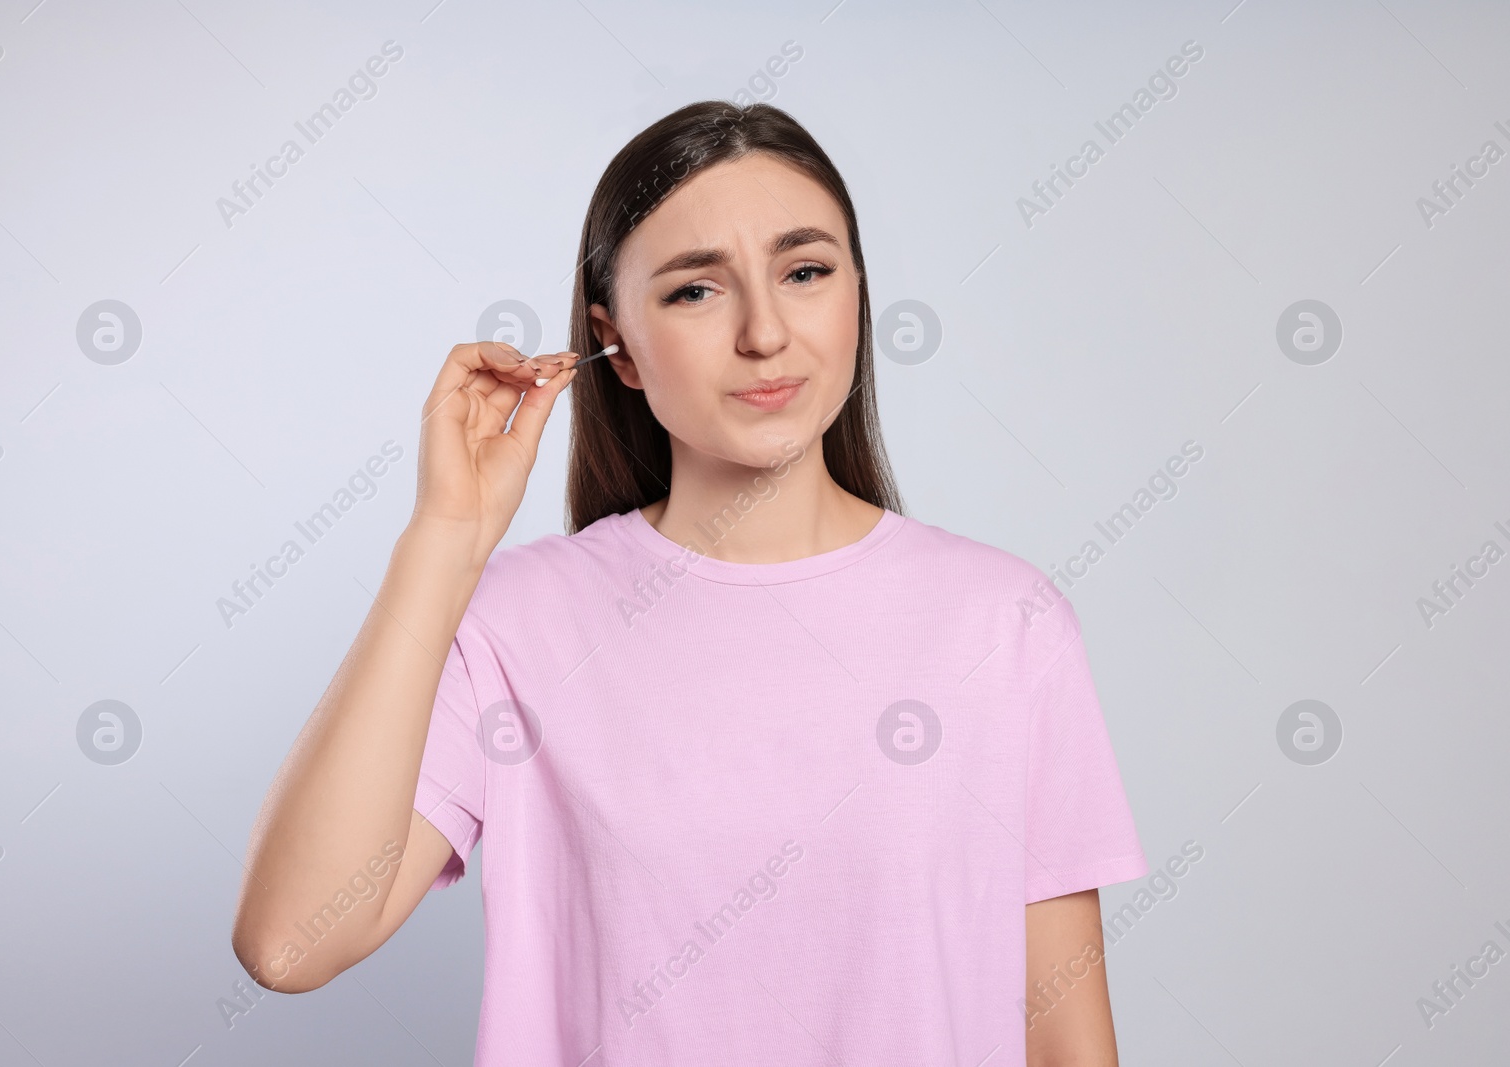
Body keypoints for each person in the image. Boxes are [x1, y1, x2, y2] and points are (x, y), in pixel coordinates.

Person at [232, 100, 1148, 1066]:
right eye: (694, 292)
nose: (764, 332)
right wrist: (443, 541)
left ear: (857, 297)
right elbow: (289, 942)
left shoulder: (1005, 623)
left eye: (805, 272)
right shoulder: (516, 624)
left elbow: (1065, 1040)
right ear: (614, 345)